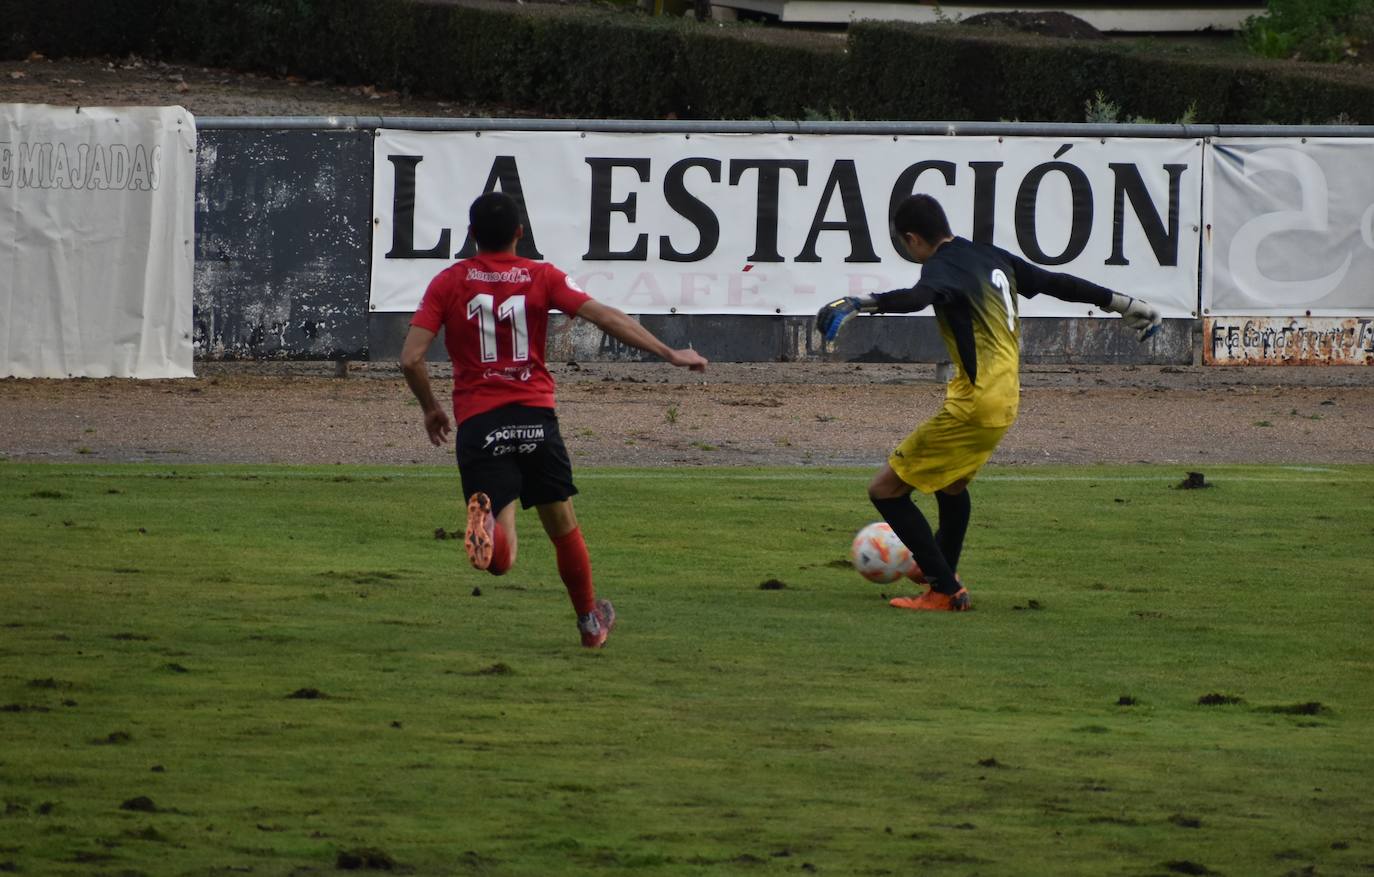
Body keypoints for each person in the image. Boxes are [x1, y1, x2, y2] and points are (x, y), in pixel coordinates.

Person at [815, 194, 1161, 612]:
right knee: (951, 484)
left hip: (975, 403)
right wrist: (1125, 304)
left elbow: (918, 296)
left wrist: (862, 303)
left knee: (885, 490)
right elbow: (1057, 284)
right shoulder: (991, 256)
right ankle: (941, 574)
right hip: (1006, 399)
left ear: (912, 239)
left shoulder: (940, 267)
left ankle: (943, 588)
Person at [401, 192, 708, 647]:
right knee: (563, 528)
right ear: (520, 233)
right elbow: (603, 316)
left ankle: (488, 532)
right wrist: (667, 352)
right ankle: (589, 621)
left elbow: (411, 359)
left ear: (470, 235)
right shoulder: (541, 275)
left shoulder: (449, 282)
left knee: (503, 560)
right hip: (534, 418)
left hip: (481, 424)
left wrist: (430, 407)